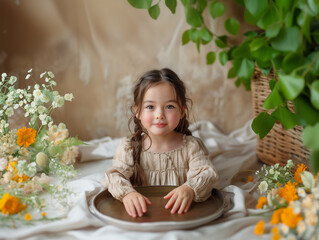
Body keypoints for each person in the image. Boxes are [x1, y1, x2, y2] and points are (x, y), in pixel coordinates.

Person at [102, 68, 219, 218]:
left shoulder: (191, 146)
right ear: (137, 112)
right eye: (150, 107)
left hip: (181, 216)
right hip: (143, 216)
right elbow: (113, 176)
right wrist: (127, 194)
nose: (160, 115)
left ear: (182, 111)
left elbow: (208, 174)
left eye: (169, 106)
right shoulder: (129, 147)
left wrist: (189, 189)